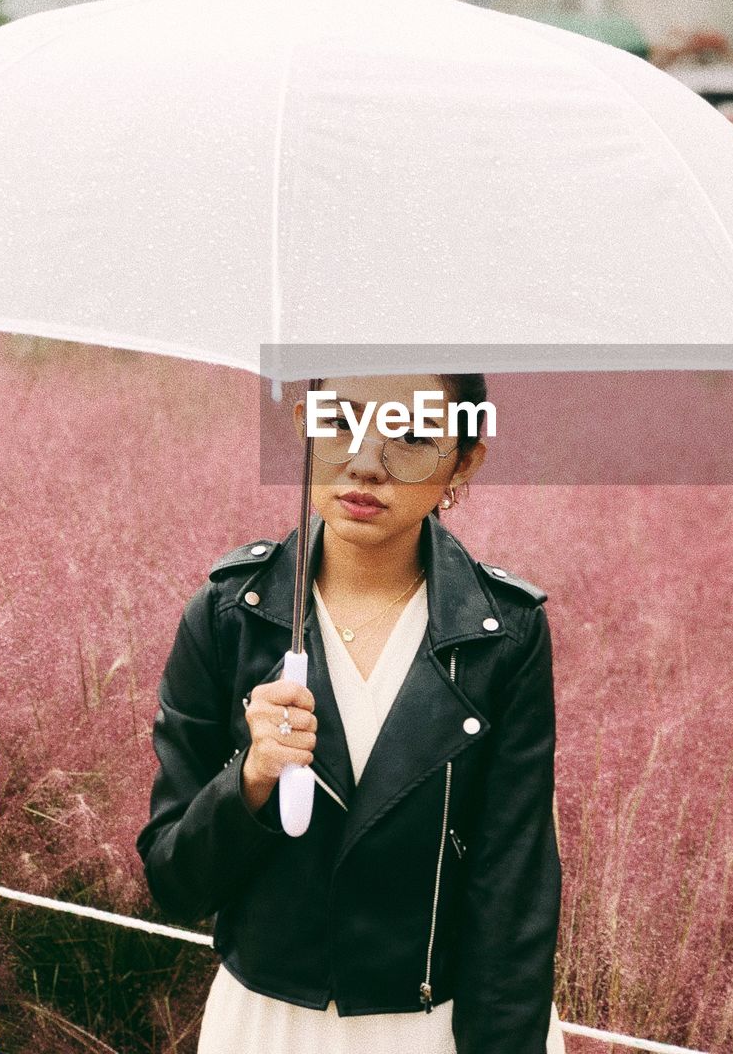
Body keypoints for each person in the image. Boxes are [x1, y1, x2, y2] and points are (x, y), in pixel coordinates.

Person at [136, 372, 565, 1054]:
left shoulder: (502, 639)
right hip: (267, 1029)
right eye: (339, 423)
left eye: (415, 434)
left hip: (433, 1031)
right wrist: (249, 781)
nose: (367, 461)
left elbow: (512, 890)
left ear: (466, 458)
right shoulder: (227, 619)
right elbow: (173, 882)